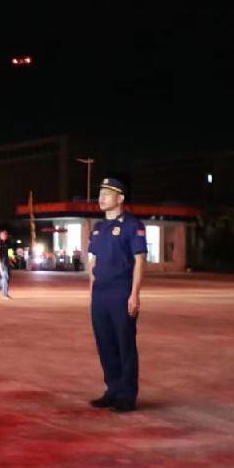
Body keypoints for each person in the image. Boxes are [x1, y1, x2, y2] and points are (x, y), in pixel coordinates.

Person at [87, 177, 146, 413]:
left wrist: (135, 294)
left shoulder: (133, 225)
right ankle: (112, 390)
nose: (101, 197)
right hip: (100, 295)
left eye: (107, 194)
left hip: (121, 293)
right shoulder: (98, 228)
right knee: (105, 344)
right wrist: (92, 293)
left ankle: (127, 395)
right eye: (100, 193)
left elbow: (140, 261)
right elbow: (93, 263)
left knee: (125, 344)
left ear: (120, 198)